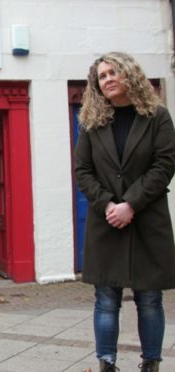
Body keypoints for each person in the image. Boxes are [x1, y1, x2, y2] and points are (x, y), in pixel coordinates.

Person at [74, 51, 175, 372]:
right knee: (106, 300)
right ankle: (107, 363)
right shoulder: (91, 123)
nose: (108, 79)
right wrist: (109, 205)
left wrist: (131, 204)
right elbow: (83, 171)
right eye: (102, 76)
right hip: (105, 222)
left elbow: (164, 165)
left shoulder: (157, 116)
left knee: (149, 299)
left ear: (130, 73)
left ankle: (151, 363)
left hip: (148, 219)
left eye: (113, 72)